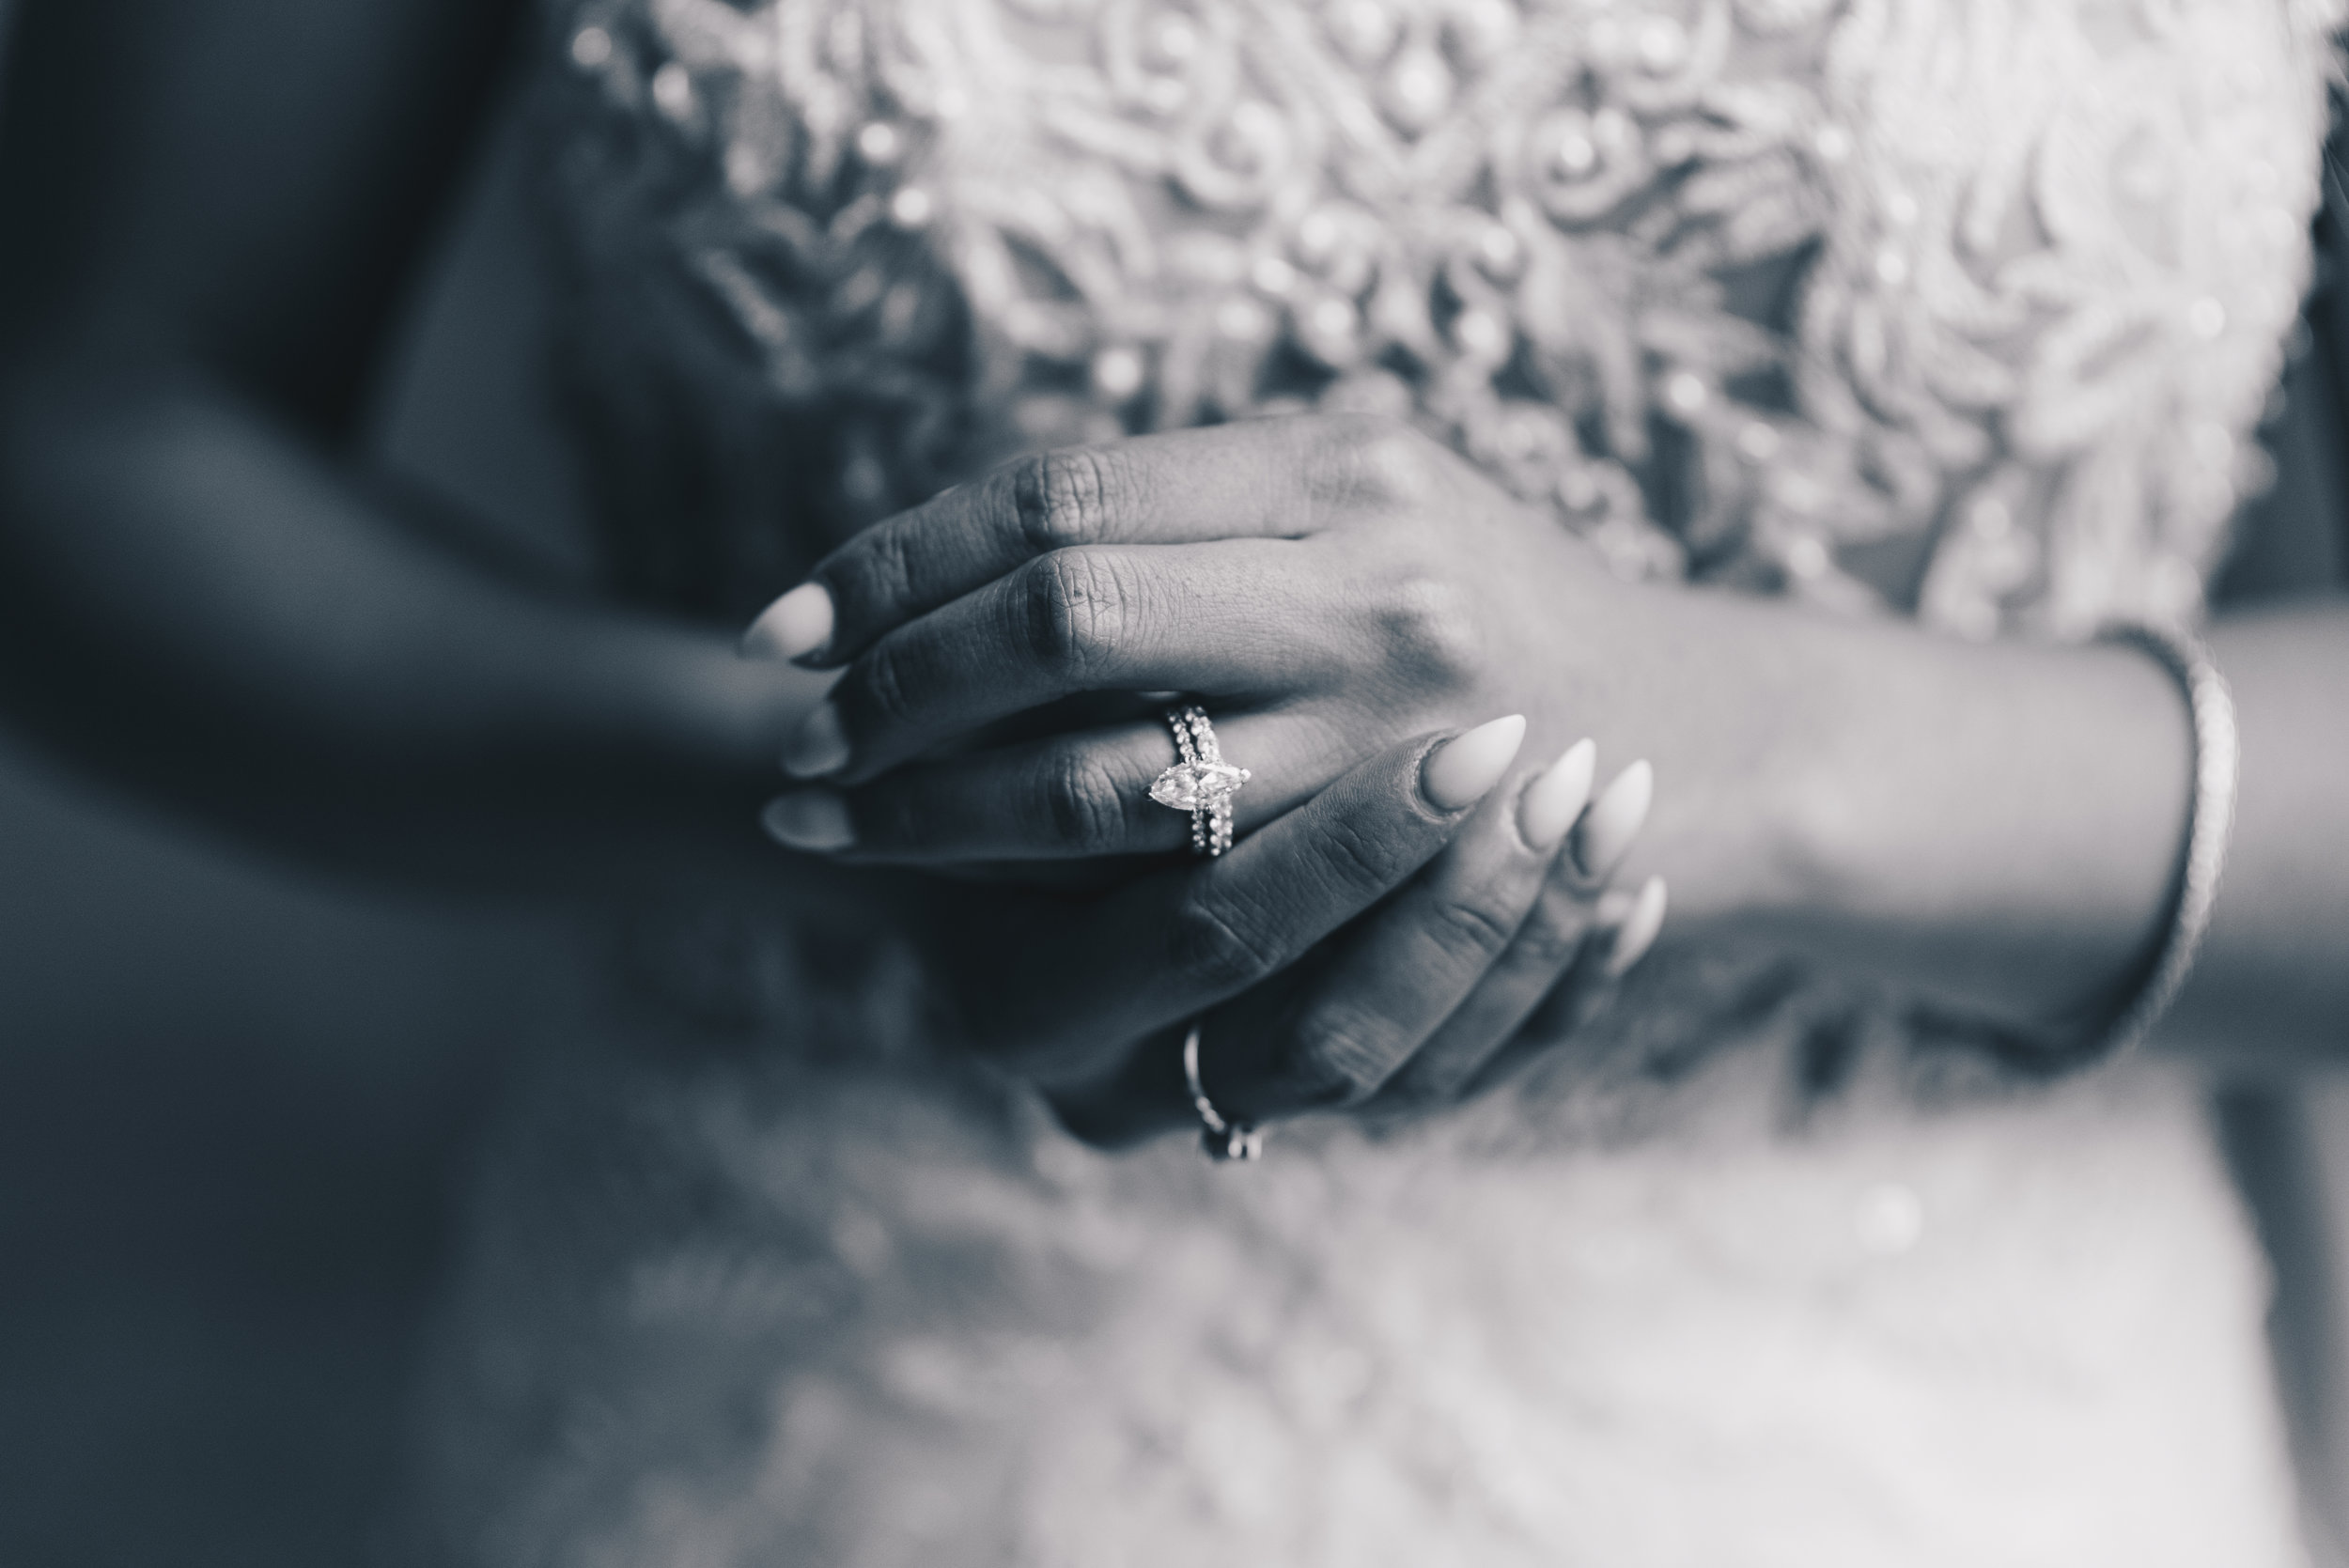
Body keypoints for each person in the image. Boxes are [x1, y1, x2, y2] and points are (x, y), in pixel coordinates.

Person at [4, 0, 2349, 1561]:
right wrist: (865, 790)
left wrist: (1735, 753)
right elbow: (81, 436)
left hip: (1936, 1428)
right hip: (826, 1402)